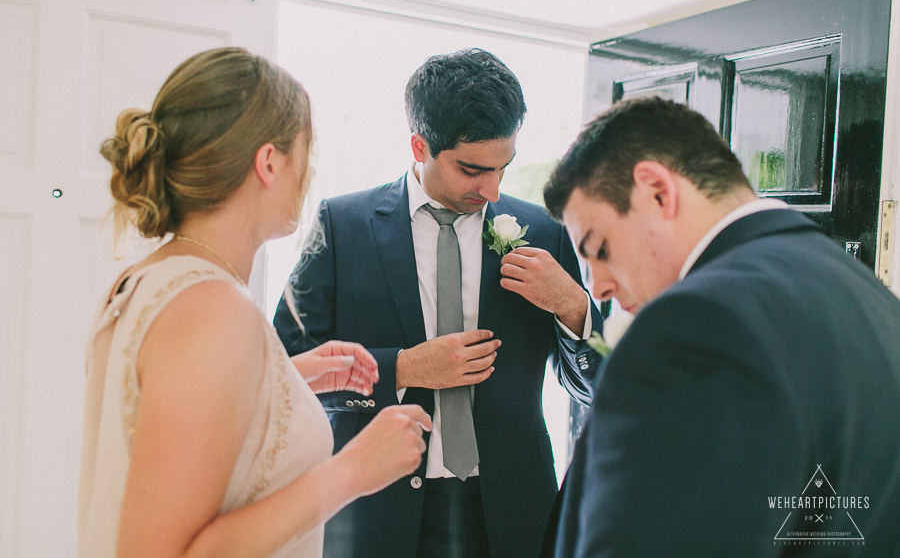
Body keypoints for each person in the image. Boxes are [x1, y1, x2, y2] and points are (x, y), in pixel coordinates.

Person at [78, 47, 431, 558]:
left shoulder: (147, 278)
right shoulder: (212, 310)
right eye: (306, 152)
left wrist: (283, 380)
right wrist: (354, 471)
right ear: (269, 161)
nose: (309, 174)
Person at [274, 48, 604, 558]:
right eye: (473, 169)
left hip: (514, 510)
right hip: (376, 510)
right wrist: (403, 369)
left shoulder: (544, 232)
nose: (492, 189)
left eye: (503, 167)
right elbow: (285, 377)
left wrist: (573, 307)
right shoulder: (341, 227)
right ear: (419, 144)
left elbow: (595, 386)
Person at [540, 96, 900, 556]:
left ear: (657, 190)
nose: (599, 286)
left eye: (600, 249)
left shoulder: (694, 327)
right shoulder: (868, 296)